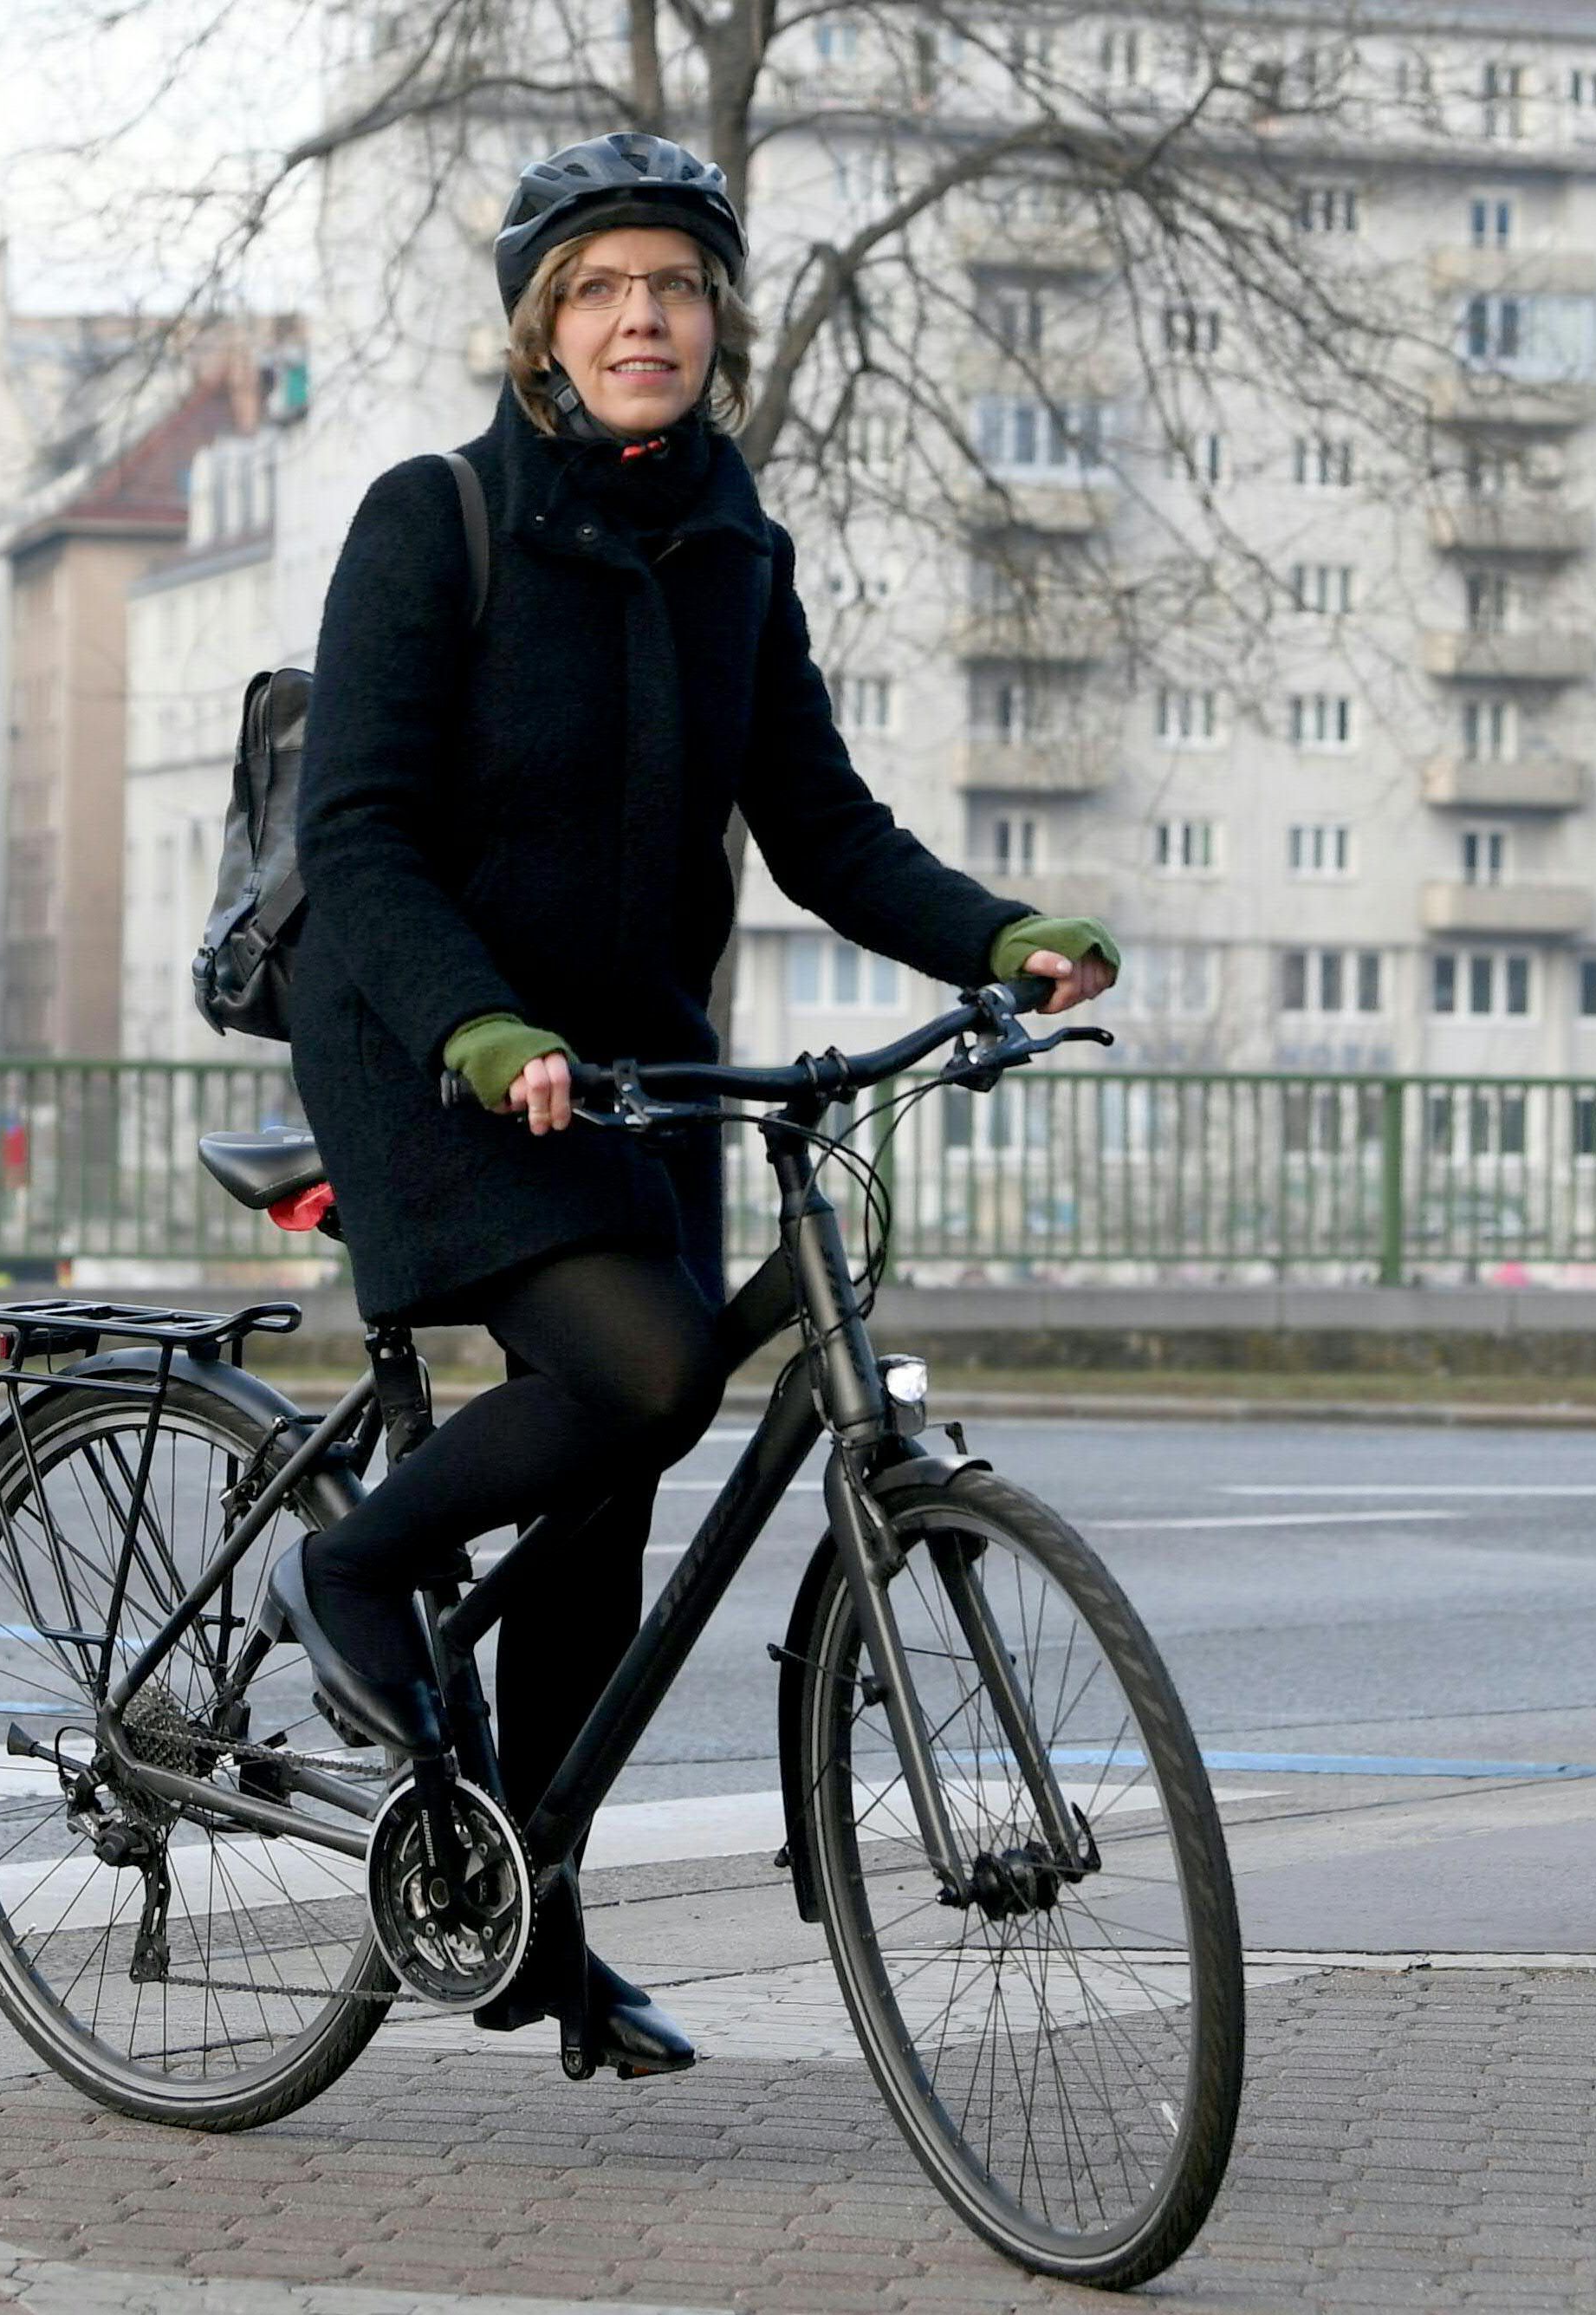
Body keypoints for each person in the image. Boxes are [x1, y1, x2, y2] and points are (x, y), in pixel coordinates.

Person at [269, 131, 1118, 2076]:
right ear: (538, 332)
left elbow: (817, 823)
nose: (638, 315)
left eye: (670, 284)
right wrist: (478, 1033)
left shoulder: (732, 543)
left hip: (635, 1053)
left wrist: (993, 939)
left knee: (611, 1499)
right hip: (424, 1037)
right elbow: (364, 839)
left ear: (712, 323)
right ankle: (352, 1557)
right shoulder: (433, 521)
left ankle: (534, 1916)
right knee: (646, 1374)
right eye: (595, 288)